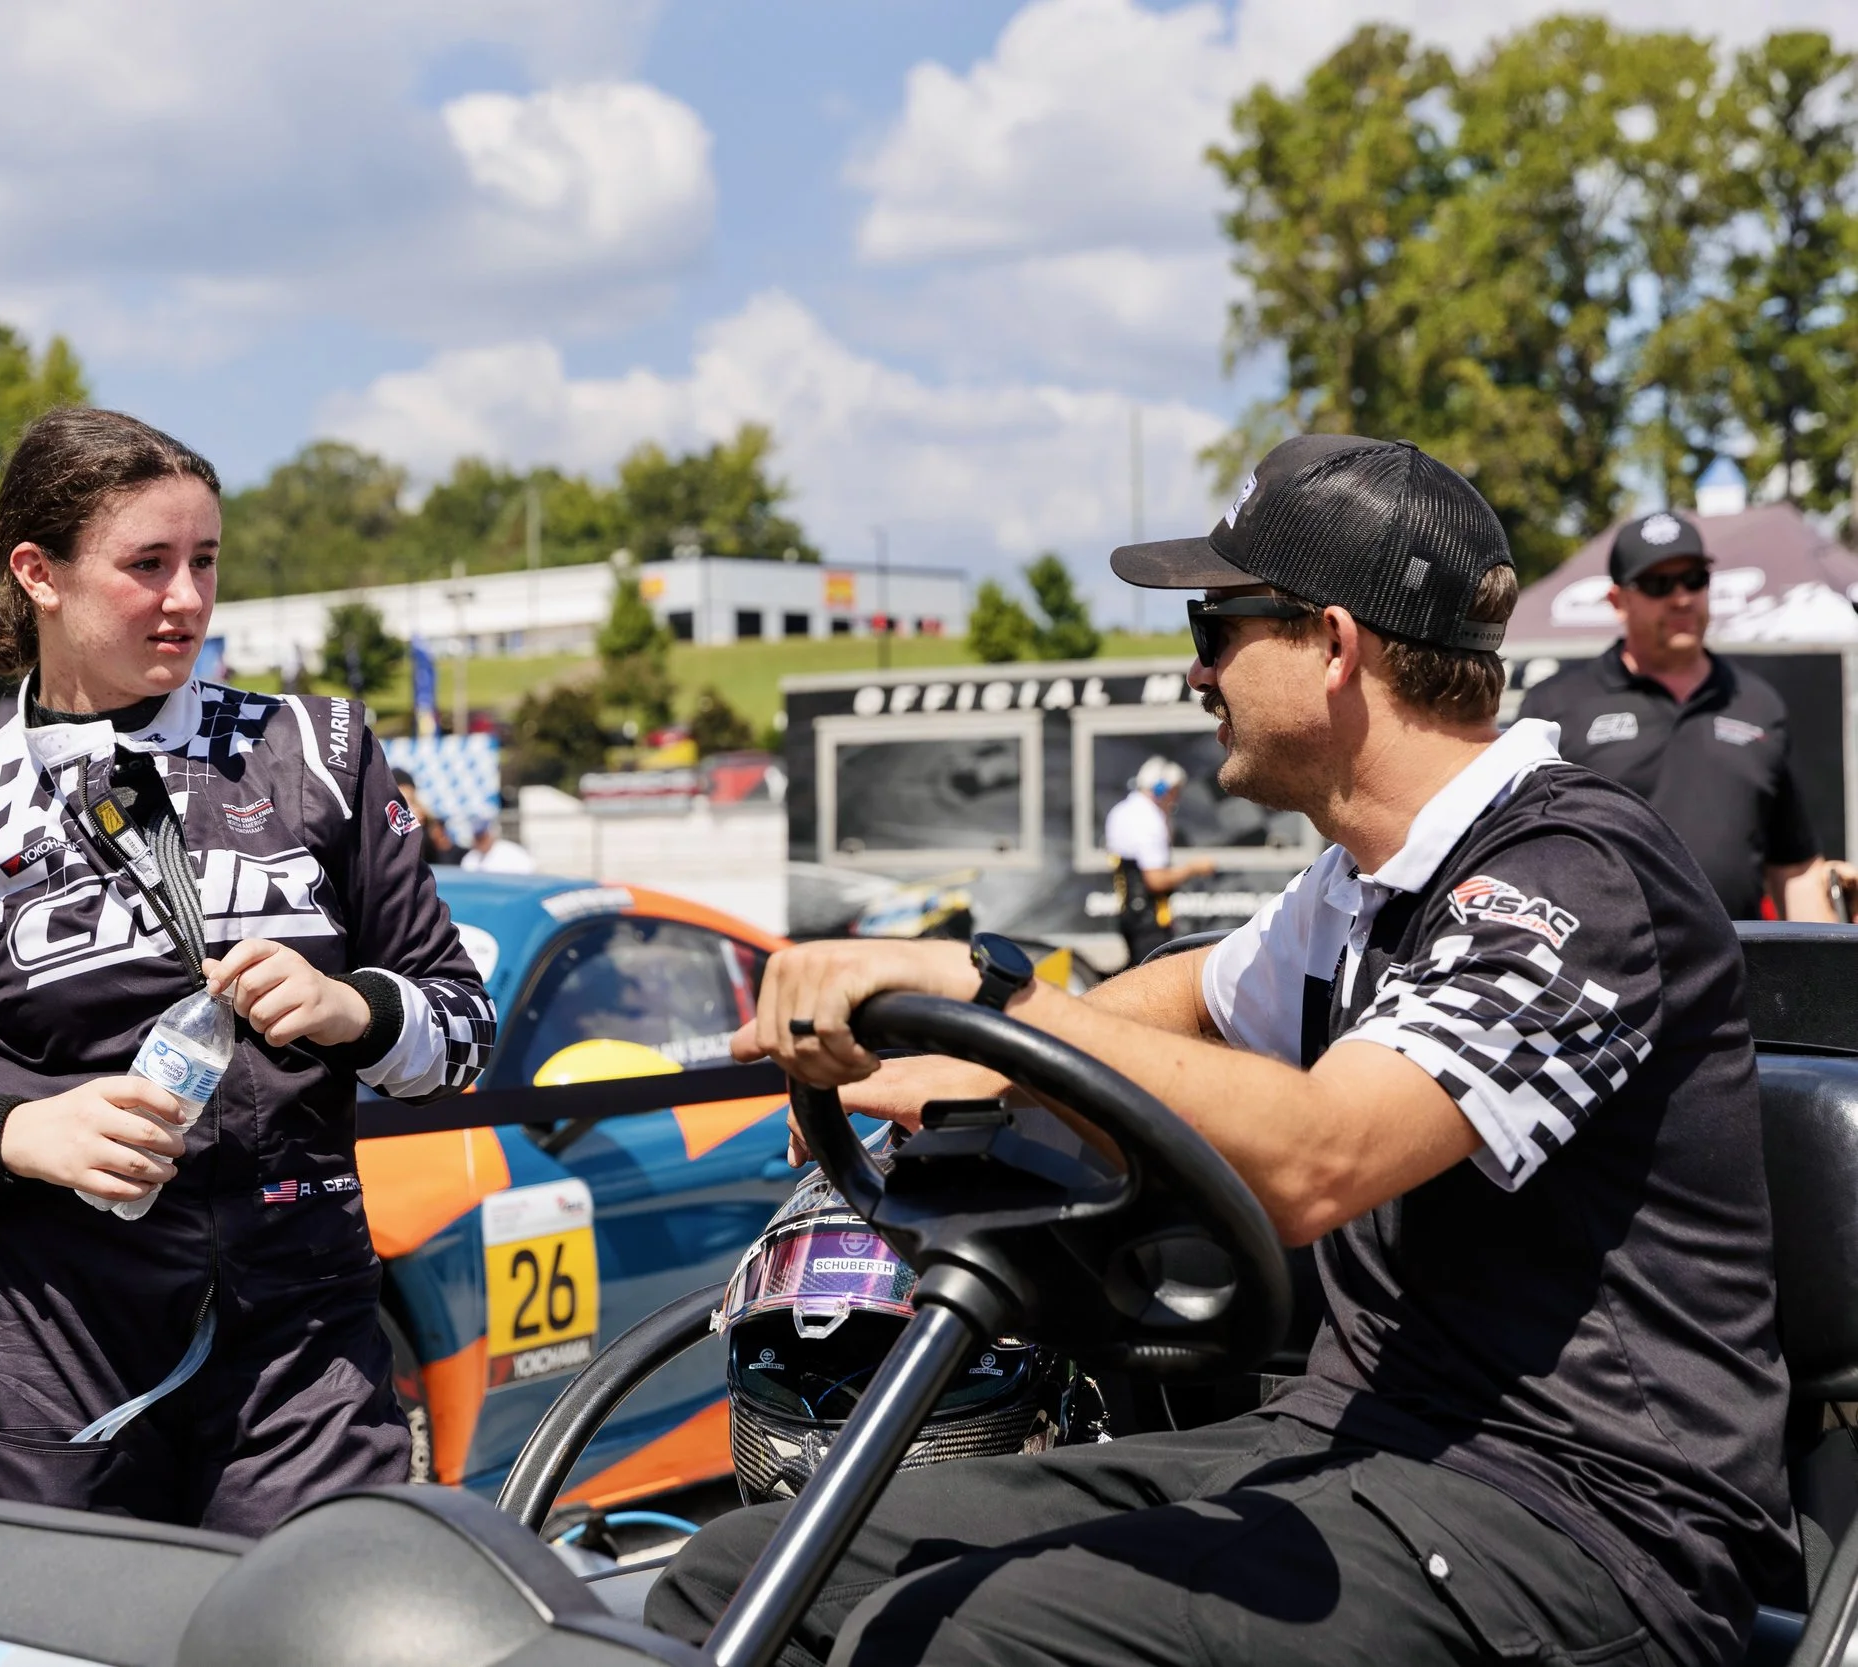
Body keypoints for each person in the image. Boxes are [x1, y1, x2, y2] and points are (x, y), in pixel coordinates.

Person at [650, 435, 1796, 1667]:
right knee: (743, 1574)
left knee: (961, 1638)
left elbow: (1320, 1156)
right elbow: (1191, 992)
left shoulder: (1569, 877)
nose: (1195, 670)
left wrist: (984, 992)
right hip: (1358, 1439)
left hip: (1585, 1517)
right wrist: (960, 1066)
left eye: (1215, 626)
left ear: (1334, 646)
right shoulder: (1358, 883)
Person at [0, 408, 494, 1534]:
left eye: (205, 560)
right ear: (38, 574)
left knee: (313, 1616)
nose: (187, 599)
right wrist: (18, 1134)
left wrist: (352, 1008)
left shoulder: (320, 753)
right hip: (46, 1359)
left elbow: (464, 1031)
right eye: (148, 564)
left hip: (301, 1352)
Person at [1523, 510, 1844, 920]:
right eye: (1658, 584)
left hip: (1737, 955)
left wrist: (1824, 955)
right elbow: (1518, 855)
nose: (1682, 598)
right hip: (1600, 955)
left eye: (1694, 579)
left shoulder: (1757, 704)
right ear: (1618, 601)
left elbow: (1794, 867)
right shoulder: (1555, 706)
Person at [1100, 755, 1215, 965]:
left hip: (1129, 913)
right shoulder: (1148, 820)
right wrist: (1193, 868)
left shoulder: (1122, 810)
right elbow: (1156, 879)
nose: (1176, 799)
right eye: (1175, 792)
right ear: (1163, 789)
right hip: (1148, 919)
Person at [389, 769, 460, 866]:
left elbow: (442, 855)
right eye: (403, 802)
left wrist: (427, 829)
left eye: (411, 800)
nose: (408, 807)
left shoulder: (427, 822)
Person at [457, 813, 535, 874]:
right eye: (477, 838)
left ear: (491, 835)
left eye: (483, 838)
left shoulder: (513, 854)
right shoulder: (471, 858)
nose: (479, 842)